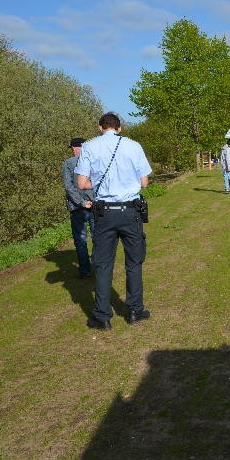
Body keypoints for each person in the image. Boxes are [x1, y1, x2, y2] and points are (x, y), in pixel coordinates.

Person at [75, 112, 152, 331]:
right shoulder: (134, 146)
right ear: (120, 128)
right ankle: (136, 311)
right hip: (130, 211)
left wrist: (98, 184)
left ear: (100, 128)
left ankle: (102, 316)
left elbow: (81, 183)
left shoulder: (89, 147)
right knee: (134, 263)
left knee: (103, 264)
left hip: (104, 214)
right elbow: (144, 182)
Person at [62, 138, 95, 278]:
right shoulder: (94, 161)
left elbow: (68, 187)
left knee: (81, 240)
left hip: (77, 208)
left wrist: (81, 202)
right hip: (95, 205)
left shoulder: (68, 163)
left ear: (75, 148)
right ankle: (99, 266)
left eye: (72, 148)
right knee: (98, 237)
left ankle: (85, 271)